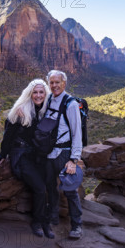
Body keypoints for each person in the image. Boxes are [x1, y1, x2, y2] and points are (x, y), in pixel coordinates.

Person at [0, 79, 54, 238]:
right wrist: (2, 155)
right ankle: (37, 222)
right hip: (21, 155)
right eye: (35, 92)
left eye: (41, 92)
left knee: (50, 183)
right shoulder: (20, 110)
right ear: (29, 94)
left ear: (45, 94)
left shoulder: (45, 110)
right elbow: (8, 135)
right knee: (40, 187)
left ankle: (46, 221)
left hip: (37, 155)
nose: (38, 95)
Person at [43, 70, 83, 239]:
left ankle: (76, 225)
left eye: (57, 82)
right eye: (51, 82)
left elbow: (77, 133)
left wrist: (74, 159)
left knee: (70, 190)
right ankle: (53, 218)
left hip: (64, 154)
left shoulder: (71, 104)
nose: (54, 85)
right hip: (49, 153)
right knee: (50, 187)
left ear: (64, 83)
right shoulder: (48, 99)